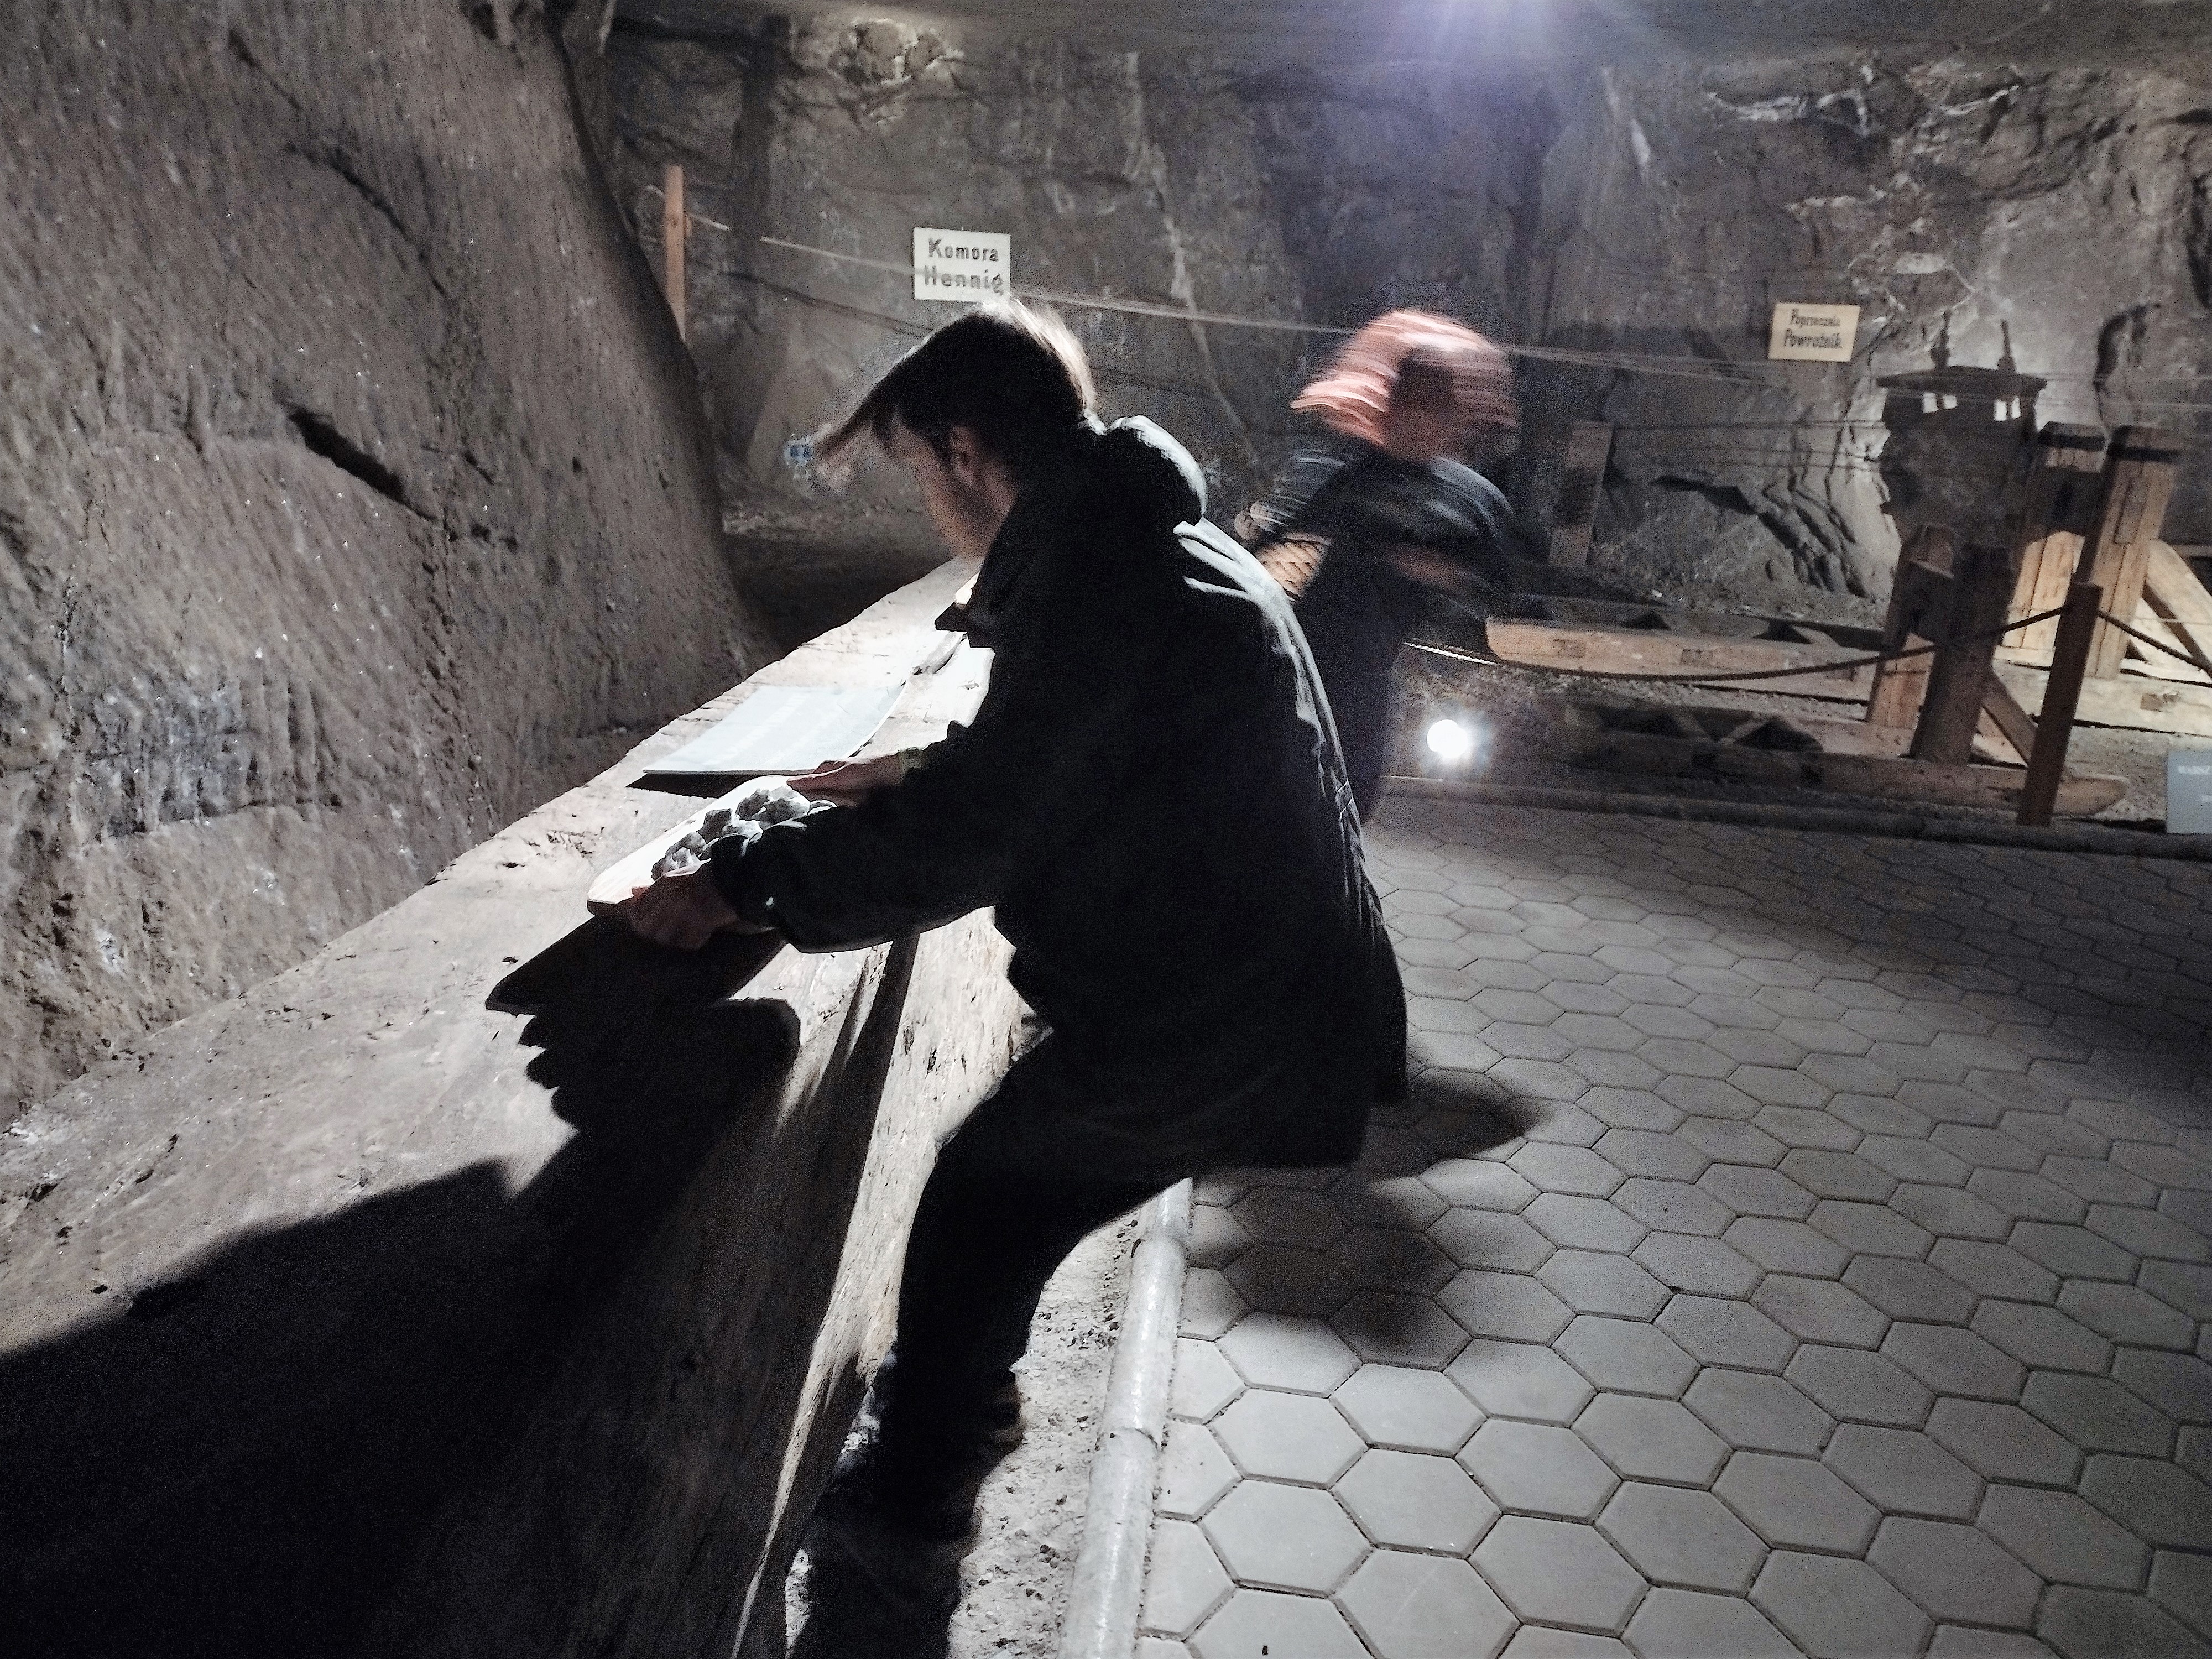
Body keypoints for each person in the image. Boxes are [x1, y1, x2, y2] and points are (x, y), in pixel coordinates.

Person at [619, 301, 1404, 1609]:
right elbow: (1076, 747)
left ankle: (912, 1513)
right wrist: (915, 765)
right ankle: (957, 1421)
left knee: (983, 1200)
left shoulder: (1102, 575)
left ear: (965, 452)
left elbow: (975, 837)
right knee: (1013, 1200)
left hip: (1225, 1015)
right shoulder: (1146, 537)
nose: (932, 508)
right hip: (1267, 990)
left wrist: (742, 885)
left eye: (921, 475)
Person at [1239, 310, 1528, 818]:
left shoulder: (1468, 502)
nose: (1419, 422)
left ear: (1449, 418)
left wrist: (1440, 575)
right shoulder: (1343, 482)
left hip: (1370, 676)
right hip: (1307, 667)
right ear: (1390, 407)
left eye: (1433, 409)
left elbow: (1499, 591)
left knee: (1352, 798)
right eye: (1408, 404)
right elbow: (1275, 557)